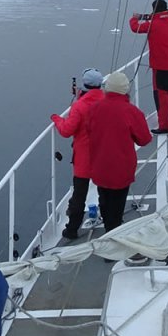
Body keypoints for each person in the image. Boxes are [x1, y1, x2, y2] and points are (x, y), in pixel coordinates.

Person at [85, 72, 152, 234]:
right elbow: (144, 139)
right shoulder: (132, 112)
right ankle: (114, 234)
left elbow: (88, 131)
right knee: (117, 203)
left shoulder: (93, 109)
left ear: (106, 89)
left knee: (105, 199)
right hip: (122, 168)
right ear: (125, 91)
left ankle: (109, 228)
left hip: (99, 166)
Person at [49, 68, 104, 239]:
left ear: (84, 85)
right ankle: (110, 222)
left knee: (79, 195)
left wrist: (57, 119)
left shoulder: (79, 106)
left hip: (83, 159)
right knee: (106, 190)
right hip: (104, 155)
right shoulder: (107, 101)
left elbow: (66, 130)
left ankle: (72, 229)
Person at [129, 0, 168, 134]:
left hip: (160, 67)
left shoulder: (152, 24)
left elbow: (135, 27)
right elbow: (160, 18)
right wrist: (149, 16)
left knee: (161, 96)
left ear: (154, 10)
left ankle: (165, 126)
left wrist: (134, 18)